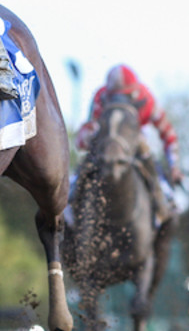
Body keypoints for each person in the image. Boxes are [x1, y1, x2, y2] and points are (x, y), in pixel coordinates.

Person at [75, 64, 183, 221]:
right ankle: (72, 198)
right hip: (106, 139)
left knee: (147, 152)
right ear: (108, 94)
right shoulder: (100, 97)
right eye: (115, 97)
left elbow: (168, 133)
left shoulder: (147, 99)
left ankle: (163, 201)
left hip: (135, 138)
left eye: (125, 97)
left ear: (134, 93)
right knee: (88, 160)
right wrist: (88, 135)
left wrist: (174, 166)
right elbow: (87, 133)